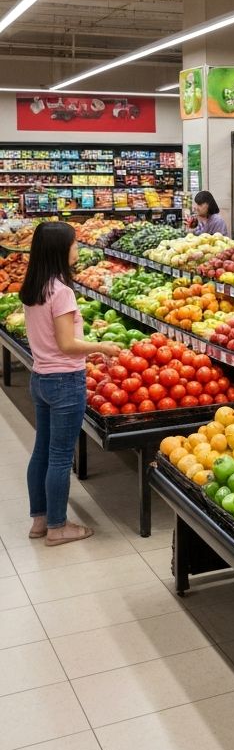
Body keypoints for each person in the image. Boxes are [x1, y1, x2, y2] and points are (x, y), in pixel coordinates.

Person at [21, 222, 120, 546]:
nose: (77, 249)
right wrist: (102, 348)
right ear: (60, 251)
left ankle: (40, 520)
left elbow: (52, 340)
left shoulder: (34, 286)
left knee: (42, 451)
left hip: (41, 378)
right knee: (61, 456)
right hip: (64, 381)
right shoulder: (60, 290)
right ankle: (58, 527)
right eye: (74, 244)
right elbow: (66, 344)